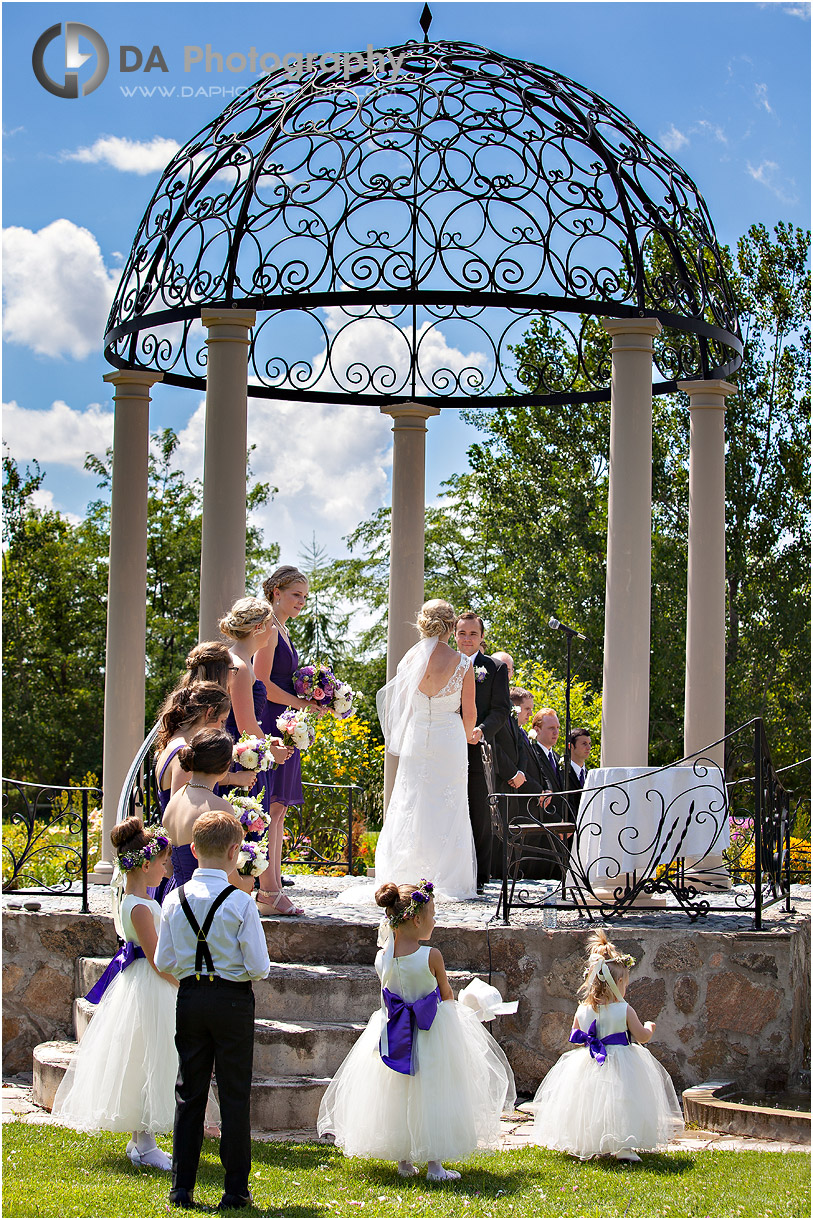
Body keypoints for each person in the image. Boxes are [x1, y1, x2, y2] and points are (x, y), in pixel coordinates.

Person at [317, 879, 515, 1181]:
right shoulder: (431, 955)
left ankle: (404, 1161)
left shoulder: (381, 957)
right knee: (435, 1092)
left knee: (398, 1094)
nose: (435, 921)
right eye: (432, 915)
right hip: (430, 1032)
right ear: (417, 919)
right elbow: (445, 994)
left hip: (395, 1032)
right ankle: (434, 1165)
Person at [155, 810, 271, 1212]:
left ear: (192, 849)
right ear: (236, 851)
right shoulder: (240, 902)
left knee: (189, 1091)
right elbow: (259, 966)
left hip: (190, 998)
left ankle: (181, 1187)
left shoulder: (174, 899)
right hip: (233, 1000)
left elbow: (164, 958)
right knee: (235, 1094)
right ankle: (235, 1189)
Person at [52, 818, 177, 1169]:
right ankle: (146, 1141)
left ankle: (142, 1142)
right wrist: (181, 982)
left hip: (141, 985)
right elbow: (155, 959)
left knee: (144, 1058)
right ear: (146, 864)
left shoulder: (137, 899)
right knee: (147, 1059)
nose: (167, 869)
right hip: (149, 987)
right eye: (164, 863)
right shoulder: (139, 906)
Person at [530, 929, 683, 1161]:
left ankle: (590, 1143)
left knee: (589, 1102)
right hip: (623, 1062)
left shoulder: (582, 1009)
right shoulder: (624, 1009)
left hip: (590, 1061)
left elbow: (575, 1034)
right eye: (625, 984)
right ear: (618, 982)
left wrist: (590, 1037)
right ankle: (624, 1146)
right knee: (624, 1101)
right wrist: (650, 1027)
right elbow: (640, 1036)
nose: (626, 989)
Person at [375, 599, 479, 899]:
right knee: (449, 804)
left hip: (417, 736)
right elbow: (469, 714)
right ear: (451, 626)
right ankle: (446, 876)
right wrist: (466, 734)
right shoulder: (462, 663)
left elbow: (402, 706)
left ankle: (405, 872)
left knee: (412, 800)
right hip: (450, 739)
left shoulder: (409, 661)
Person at [253, 567, 323, 916]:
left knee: (278, 808)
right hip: (269, 721)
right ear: (276, 591)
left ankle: (274, 886)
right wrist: (303, 703)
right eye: (297, 594)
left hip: (285, 722)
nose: (301, 602)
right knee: (269, 808)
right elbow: (261, 681)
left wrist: (317, 693)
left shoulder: (283, 628)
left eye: (305, 597)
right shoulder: (267, 627)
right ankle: (268, 890)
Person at [219, 596, 294, 916]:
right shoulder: (240, 667)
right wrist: (272, 749)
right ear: (260, 627)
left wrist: (271, 739)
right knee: (247, 825)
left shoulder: (233, 660)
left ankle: (251, 895)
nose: (272, 633)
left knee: (245, 827)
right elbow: (246, 725)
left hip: (245, 749)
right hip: (243, 757)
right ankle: (251, 897)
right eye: (271, 626)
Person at [454, 612, 511, 892]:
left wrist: (483, 730)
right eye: (462, 633)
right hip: (447, 748)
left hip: (478, 750)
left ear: (482, 637)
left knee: (479, 814)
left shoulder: (495, 668)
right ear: (454, 635)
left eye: (473, 634)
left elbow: (501, 710)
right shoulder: (445, 663)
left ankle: (478, 878)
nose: (467, 639)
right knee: (450, 810)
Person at [161, 728, 245, 895]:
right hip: (204, 897)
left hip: (175, 893)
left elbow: (168, 866)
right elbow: (227, 869)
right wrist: (245, 885)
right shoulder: (219, 807)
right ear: (226, 765)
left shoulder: (175, 799)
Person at [154, 682, 240, 814]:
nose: (222, 728)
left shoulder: (173, 742)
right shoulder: (184, 753)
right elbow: (183, 813)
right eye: (222, 721)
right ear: (209, 713)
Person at [565, 728, 592, 818]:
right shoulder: (562, 772)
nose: (588, 748)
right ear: (571, 746)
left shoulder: (590, 775)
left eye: (589, 744)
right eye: (584, 744)